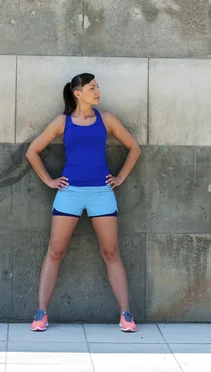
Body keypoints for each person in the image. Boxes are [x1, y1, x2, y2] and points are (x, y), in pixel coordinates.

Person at [25, 73, 142, 332]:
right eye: (92, 88)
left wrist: (121, 176)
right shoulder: (62, 122)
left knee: (111, 252)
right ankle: (41, 313)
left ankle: (126, 314)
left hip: (101, 192)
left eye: (97, 87)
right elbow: (32, 151)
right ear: (78, 93)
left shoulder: (107, 120)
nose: (98, 91)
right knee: (55, 251)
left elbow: (134, 148)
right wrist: (49, 180)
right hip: (70, 192)